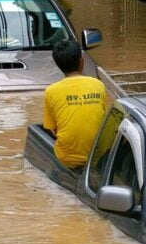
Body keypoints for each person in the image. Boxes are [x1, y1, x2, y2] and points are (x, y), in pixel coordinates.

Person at [43, 40, 106, 169]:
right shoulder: (98, 85)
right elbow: (102, 120)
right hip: (98, 156)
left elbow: (53, 130)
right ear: (81, 62)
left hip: (66, 158)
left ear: (58, 65)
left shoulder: (51, 91)